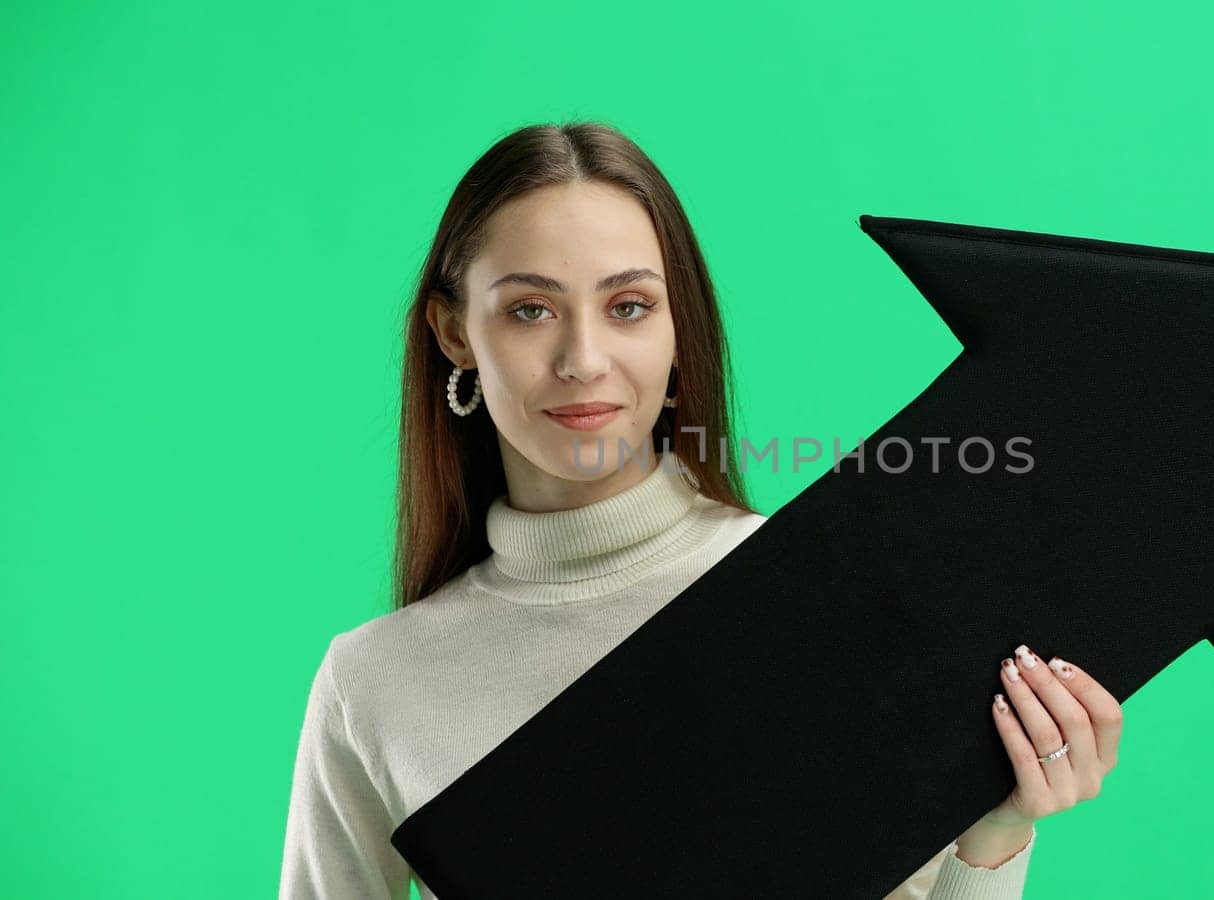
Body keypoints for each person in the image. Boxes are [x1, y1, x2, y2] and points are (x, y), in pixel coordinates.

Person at [279, 121, 1122, 899]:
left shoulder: (824, 599)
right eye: (531, 310)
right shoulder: (373, 685)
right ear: (456, 333)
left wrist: (996, 829)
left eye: (629, 306)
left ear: (678, 327)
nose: (583, 358)